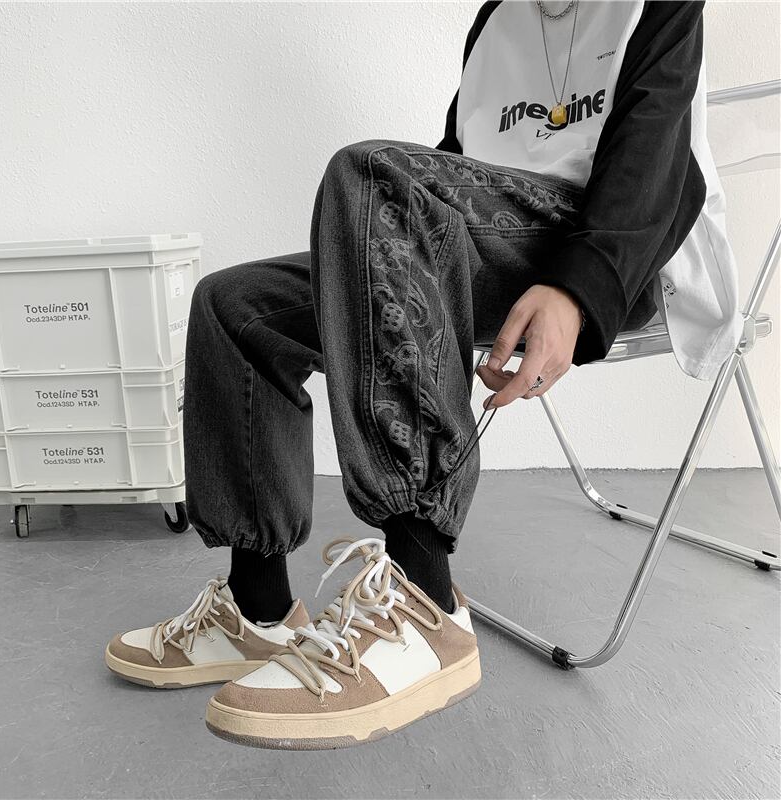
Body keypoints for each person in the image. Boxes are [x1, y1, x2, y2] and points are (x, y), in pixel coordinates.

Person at [105, 0, 739, 749]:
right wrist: (386, 248)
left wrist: (578, 291)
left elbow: (654, 162)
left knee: (373, 175)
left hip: (606, 242)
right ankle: (258, 609)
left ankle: (423, 600)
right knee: (235, 305)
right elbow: (451, 173)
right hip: (503, 240)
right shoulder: (499, 19)